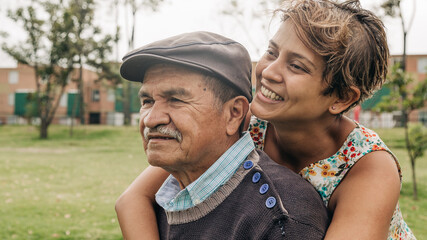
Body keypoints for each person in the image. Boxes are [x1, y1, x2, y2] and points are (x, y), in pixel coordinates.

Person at [116, 0, 416, 239]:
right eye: (272, 52)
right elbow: (133, 200)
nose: (269, 71)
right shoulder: (248, 119)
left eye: (296, 66)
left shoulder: (368, 168)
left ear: (341, 99)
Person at [119, 31, 330, 239]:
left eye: (176, 100)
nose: (151, 119)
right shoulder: (165, 197)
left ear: (234, 114)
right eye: (147, 101)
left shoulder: (281, 221)